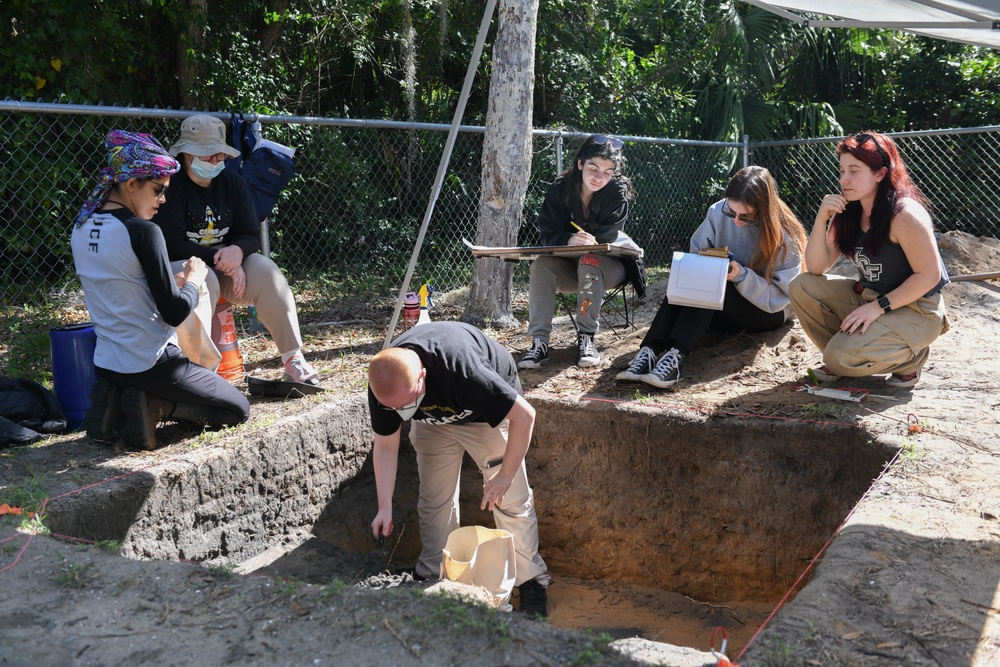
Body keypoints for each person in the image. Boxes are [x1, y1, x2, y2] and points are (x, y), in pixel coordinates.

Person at [72, 130, 250, 450]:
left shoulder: (82, 225)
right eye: (157, 190)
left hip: (108, 361)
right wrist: (195, 280)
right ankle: (156, 406)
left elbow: (123, 285)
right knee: (237, 409)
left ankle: (115, 402)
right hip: (151, 362)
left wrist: (174, 284)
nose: (162, 200)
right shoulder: (143, 232)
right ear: (131, 184)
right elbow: (174, 312)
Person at [367, 321, 550, 617]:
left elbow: (525, 417)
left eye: (407, 404)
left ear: (423, 377)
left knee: (511, 499)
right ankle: (433, 577)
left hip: (483, 415)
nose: (401, 414)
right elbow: (386, 446)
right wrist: (384, 507)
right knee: (434, 502)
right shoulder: (384, 386)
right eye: (394, 409)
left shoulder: (464, 370)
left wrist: (504, 476)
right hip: (432, 424)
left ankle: (531, 581)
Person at [151, 114, 319, 385]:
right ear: (186, 154)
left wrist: (238, 253)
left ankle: (293, 359)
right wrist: (224, 258)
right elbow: (169, 245)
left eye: (220, 154)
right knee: (200, 280)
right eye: (208, 156)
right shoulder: (171, 186)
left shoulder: (233, 182)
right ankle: (198, 374)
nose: (216, 160)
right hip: (187, 266)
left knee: (267, 271)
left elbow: (249, 233)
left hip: (227, 262)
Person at [617, 166, 807, 389]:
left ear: (763, 210)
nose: (735, 220)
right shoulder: (717, 211)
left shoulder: (785, 233)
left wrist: (741, 276)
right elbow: (695, 256)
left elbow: (781, 298)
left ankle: (676, 356)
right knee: (693, 278)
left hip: (767, 311)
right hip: (720, 309)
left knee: (714, 282)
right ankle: (649, 351)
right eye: (731, 212)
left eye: (745, 217)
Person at [788, 131, 949, 388]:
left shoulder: (905, 215)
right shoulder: (849, 210)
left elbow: (930, 276)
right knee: (802, 286)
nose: (844, 180)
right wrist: (821, 219)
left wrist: (877, 308)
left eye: (854, 170)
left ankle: (910, 359)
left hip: (916, 308)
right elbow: (816, 267)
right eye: (841, 171)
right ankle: (847, 354)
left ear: (880, 173)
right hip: (872, 298)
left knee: (838, 357)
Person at [517, 134, 644, 370]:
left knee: (588, 259)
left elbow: (607, 236)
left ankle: (587, 338)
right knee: (541, 265)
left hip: (609, 266)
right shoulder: (560, 188)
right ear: (580, 164)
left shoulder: (617, 192)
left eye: (607, 172)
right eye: (594, 168)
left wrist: (580, 241)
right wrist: (569, 238)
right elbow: (547, 232)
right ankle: (539, 343)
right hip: (569, 265)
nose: (599, 177)